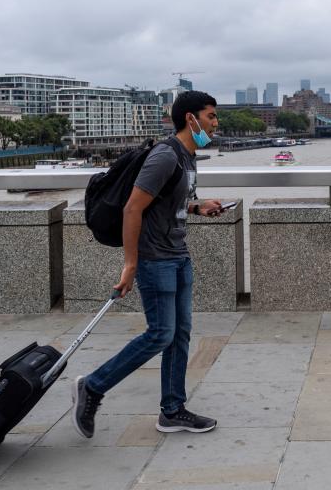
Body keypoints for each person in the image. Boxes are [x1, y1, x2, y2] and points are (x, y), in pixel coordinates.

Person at [73, 90, 228, 437]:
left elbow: (167, 203)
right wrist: (131, 263)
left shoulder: (188, 158)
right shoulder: (165, 156)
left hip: (178, 256)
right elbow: (133, 208)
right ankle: (93, 386)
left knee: (179, 335)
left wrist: (196, 207)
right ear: (191, 119)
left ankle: (172, 411)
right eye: (211, 116)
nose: (216, 124)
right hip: (155, 259)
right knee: (160, 334)